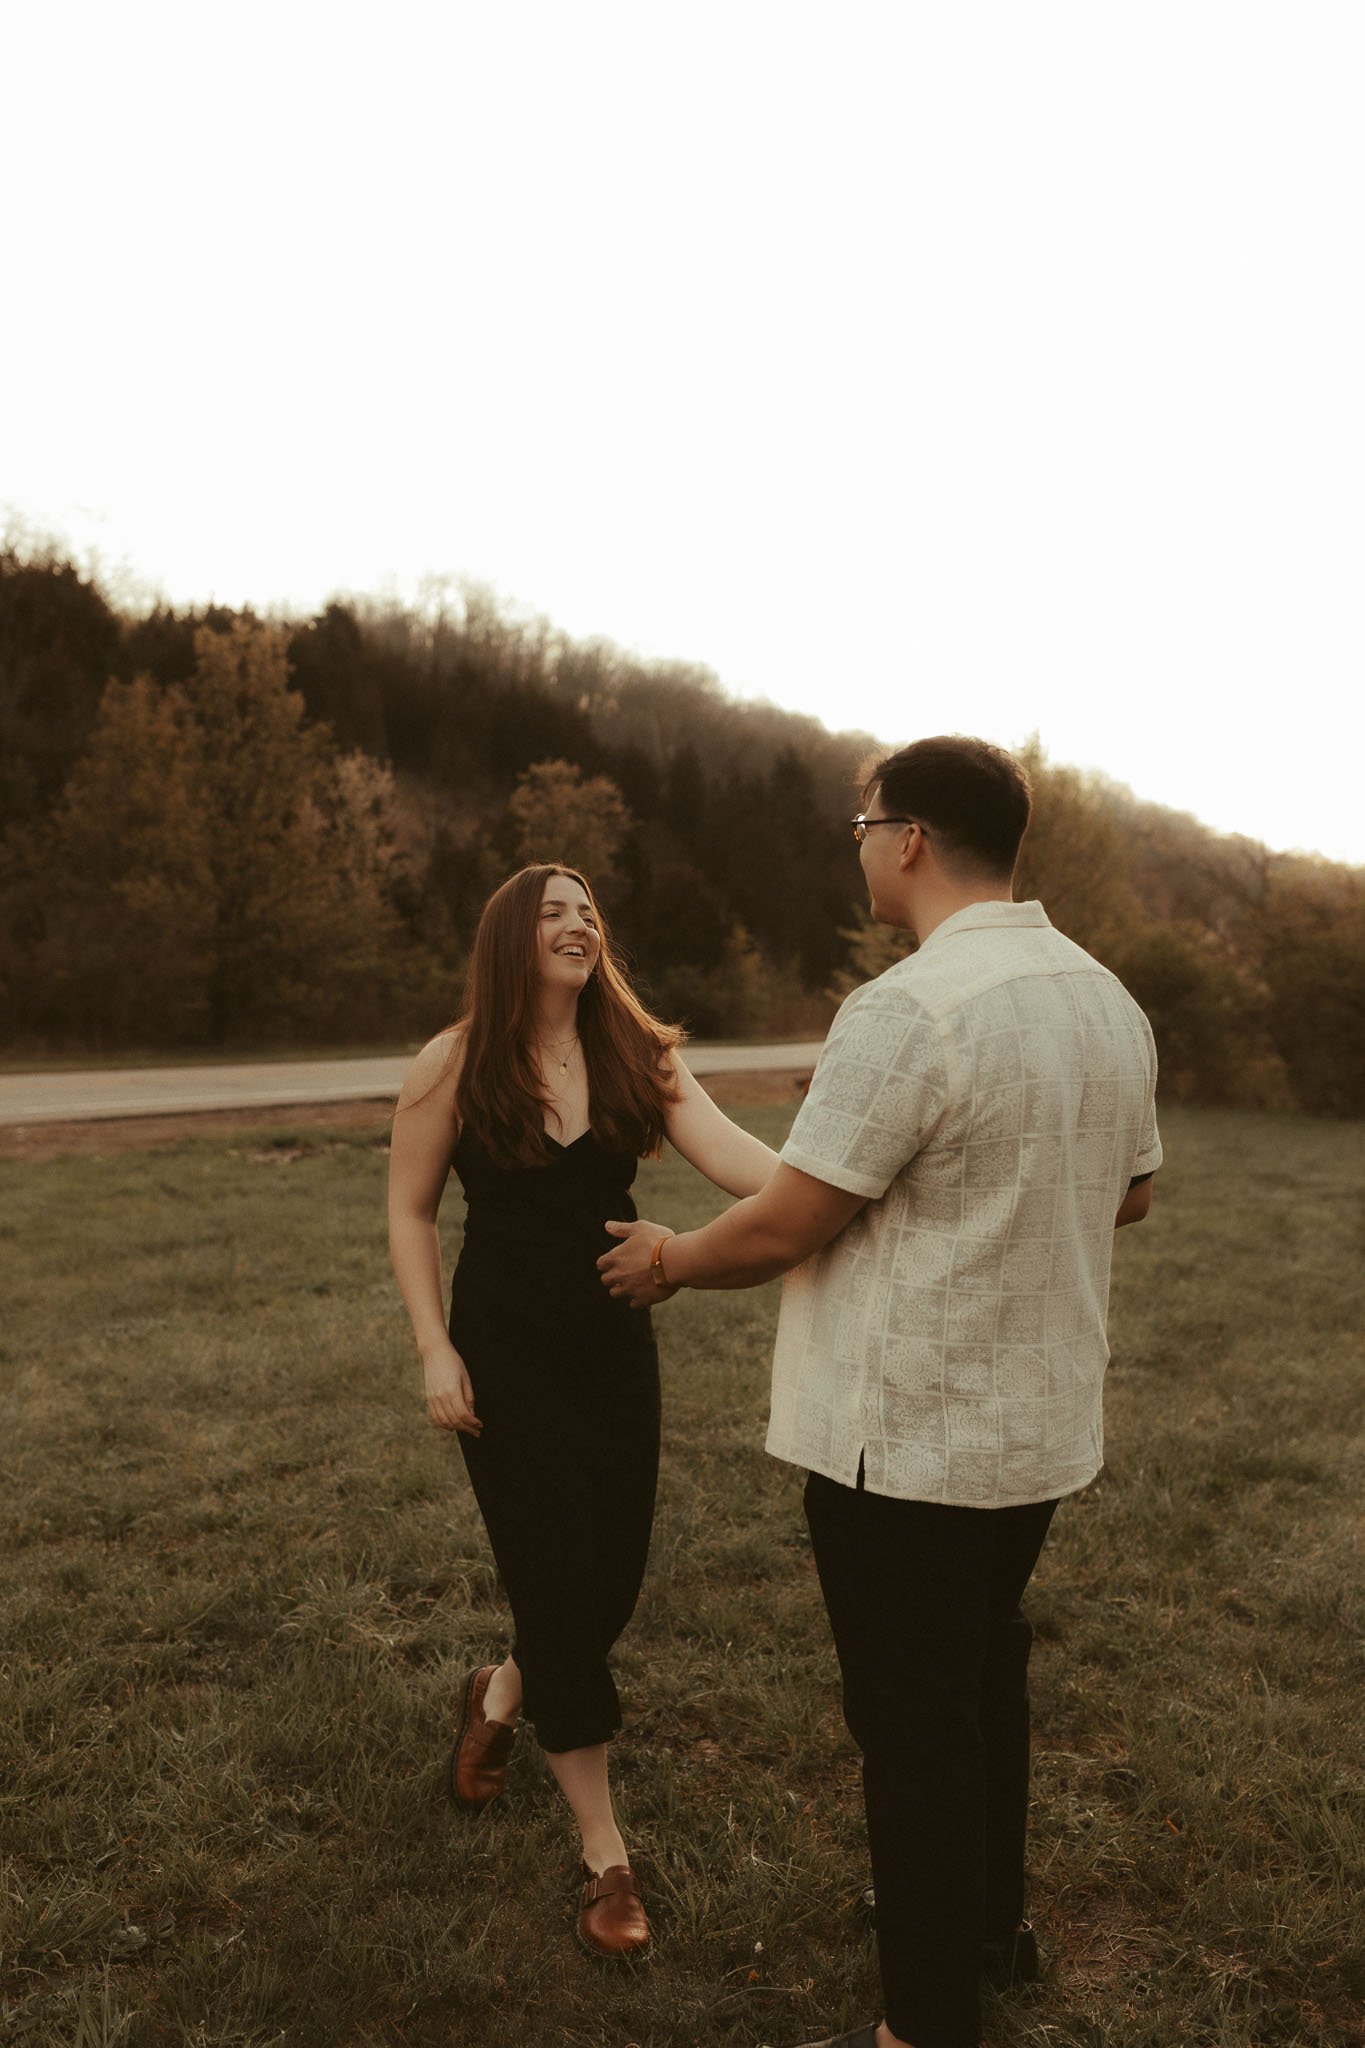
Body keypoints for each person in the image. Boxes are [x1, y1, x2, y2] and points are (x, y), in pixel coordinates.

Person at [598, 736, 1161, 2048]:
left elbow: (789, 1222)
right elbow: (1131, 1192)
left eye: (862, 826)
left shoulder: (906, 1009)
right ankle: (986, 1930)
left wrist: (668, 1261)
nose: (857, 848)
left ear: (907, 839)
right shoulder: (1106, 1000)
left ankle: (925, 2020)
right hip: (1037, 1433)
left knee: (916, 1728)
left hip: (907, 1441)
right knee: (983, 1678)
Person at [387, 861, 778, 1958]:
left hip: (613, 1350)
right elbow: (410, 1211)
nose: (579, 924)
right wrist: (434, 1347)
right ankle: (607, 1858)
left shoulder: (636, 1052)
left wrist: (835, 1185)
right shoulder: (454, 1061)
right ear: (510, 938)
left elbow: (743, 1164)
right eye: (554, 912)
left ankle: (500, 1690)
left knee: (608, 1579)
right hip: (504, 1356)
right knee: (556, 1578)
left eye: (590, 912)